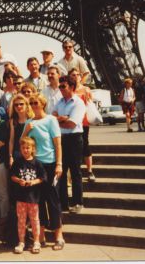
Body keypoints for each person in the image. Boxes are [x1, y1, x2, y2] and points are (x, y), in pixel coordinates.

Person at [23, 93, 65, 250]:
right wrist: (26, 130)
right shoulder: (29, 122)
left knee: (53, 200)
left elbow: (58, 144)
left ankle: (59, 236)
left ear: (43, 104)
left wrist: (59, 164)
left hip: (50, 164)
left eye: (36, 102)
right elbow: (23, 141)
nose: (34, 105)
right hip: (35, 166)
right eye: (31, 103)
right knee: (38, 202)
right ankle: (40, 237)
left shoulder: (51, 120)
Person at [54, 76, 86, 214]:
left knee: (75, 172)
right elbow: (52, 118)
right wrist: (64, 118)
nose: (60, 89)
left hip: (74, 139)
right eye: (59, 86)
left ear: (72, 87)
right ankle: (63, 203)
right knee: (61, 171)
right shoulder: (59, 102)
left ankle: (78, 202)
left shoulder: (78, 103)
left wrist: (59, 120)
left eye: (63, 86)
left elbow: (73, 123)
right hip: (62, 138)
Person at [10, 136, 46, 254]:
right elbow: (12, 176)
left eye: (28, 148)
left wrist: (33, 182)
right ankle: (21, 242)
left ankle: (36, 241)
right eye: (23, 148)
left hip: (33, 198)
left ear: (32, 149)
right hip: (20, 198)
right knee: (21, 220)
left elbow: (43, 178)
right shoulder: (18, 162)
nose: (25, 150)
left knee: (35, 220)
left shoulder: (37, 163)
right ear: (20, 149)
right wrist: (19, 181)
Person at [70, 68, 95, 182]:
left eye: (77, 75)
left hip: (83, 122)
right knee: (74, 149)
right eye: (72, 75)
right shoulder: (69, 89)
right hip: (71, 123)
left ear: (80, 76)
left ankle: (90, 171)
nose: (75, 77)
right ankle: (76, 172)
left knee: (85, 145)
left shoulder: (86, 89)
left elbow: (90, 104)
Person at [8, 93, 34, 166]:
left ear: (26, 105)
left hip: (30, 153)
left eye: (21, 104)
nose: (18, 106)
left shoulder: (32, 119)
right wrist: (10, 156)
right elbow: (11, 140)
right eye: (16, 105)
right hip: (17, 153)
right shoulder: (13, 121)